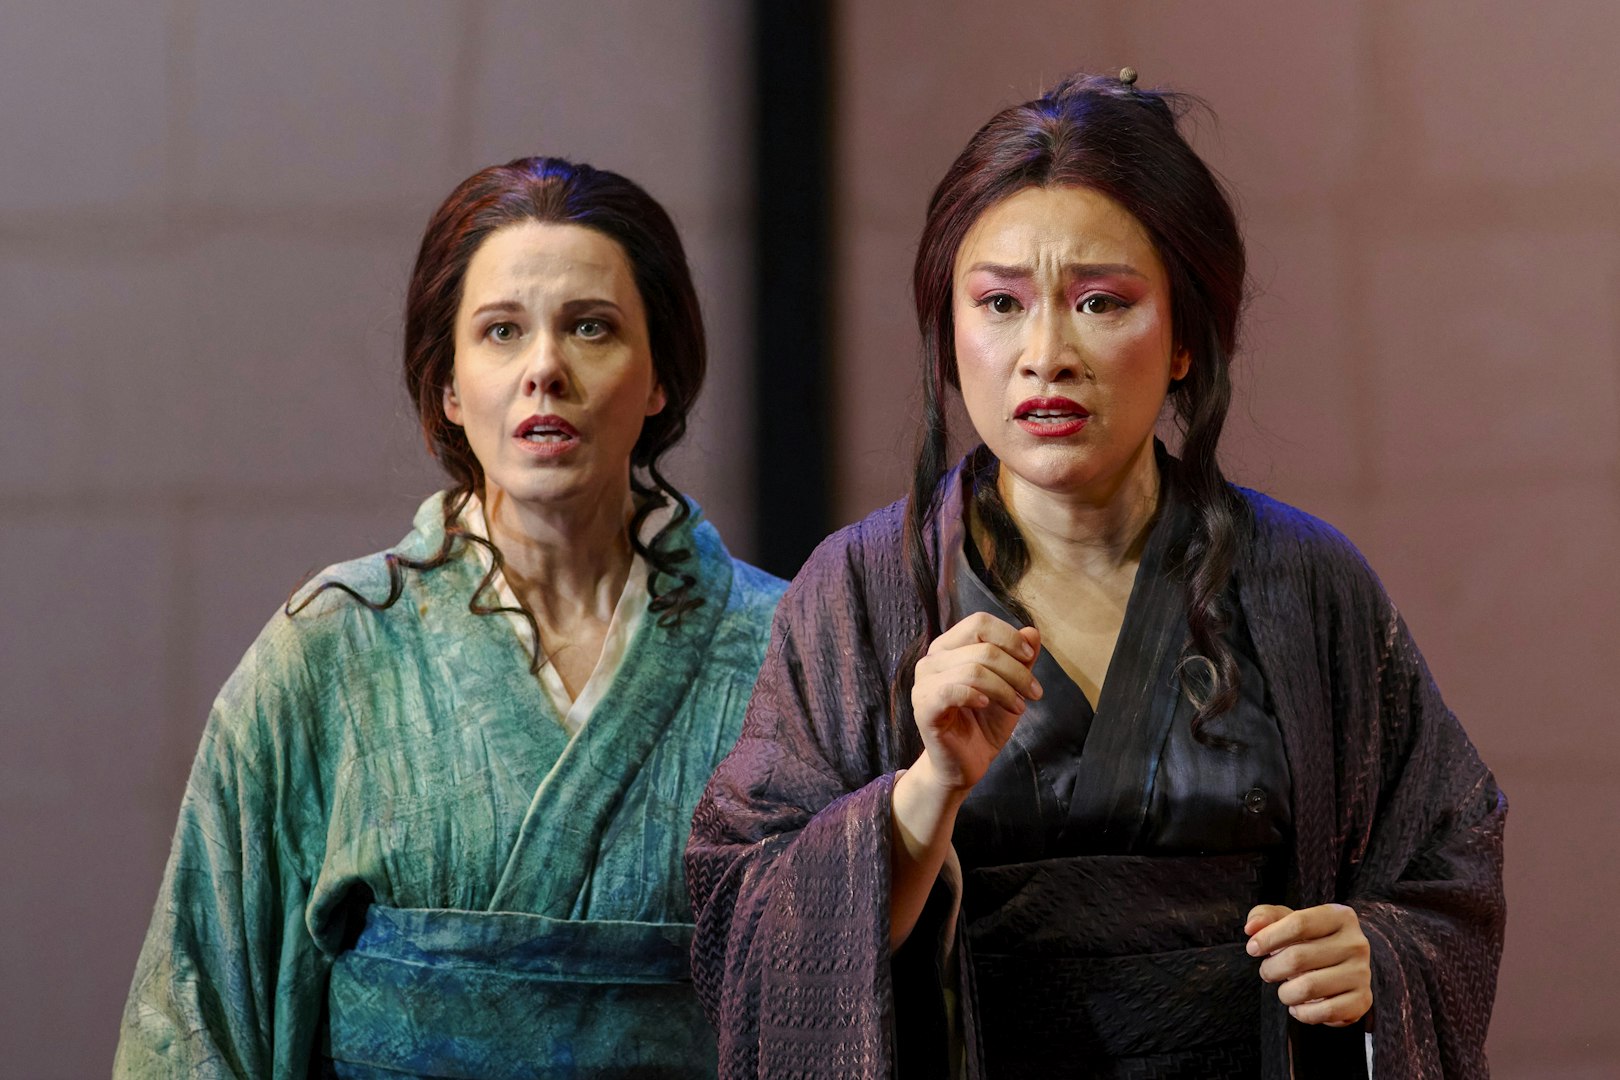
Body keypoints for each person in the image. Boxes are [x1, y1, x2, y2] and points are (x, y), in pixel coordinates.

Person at [686, 72, 1504, 1078]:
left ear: (1186, 339)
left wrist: (1380, 950)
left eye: (1101, 302)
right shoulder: (858, 592)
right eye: (999, 303)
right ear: (949, 334)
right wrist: (929, 787)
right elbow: (742, 908)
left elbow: (1448, 850)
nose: (1046, 354)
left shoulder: (1305, 583)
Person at [116, 157, 785, 1078]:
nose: (545, 369)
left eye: (591, 329)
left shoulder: (784, 648)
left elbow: (856, 999)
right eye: (502, 332)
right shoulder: (333, 647)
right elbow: (192, 1023)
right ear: (448, 387)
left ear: (661, 374)